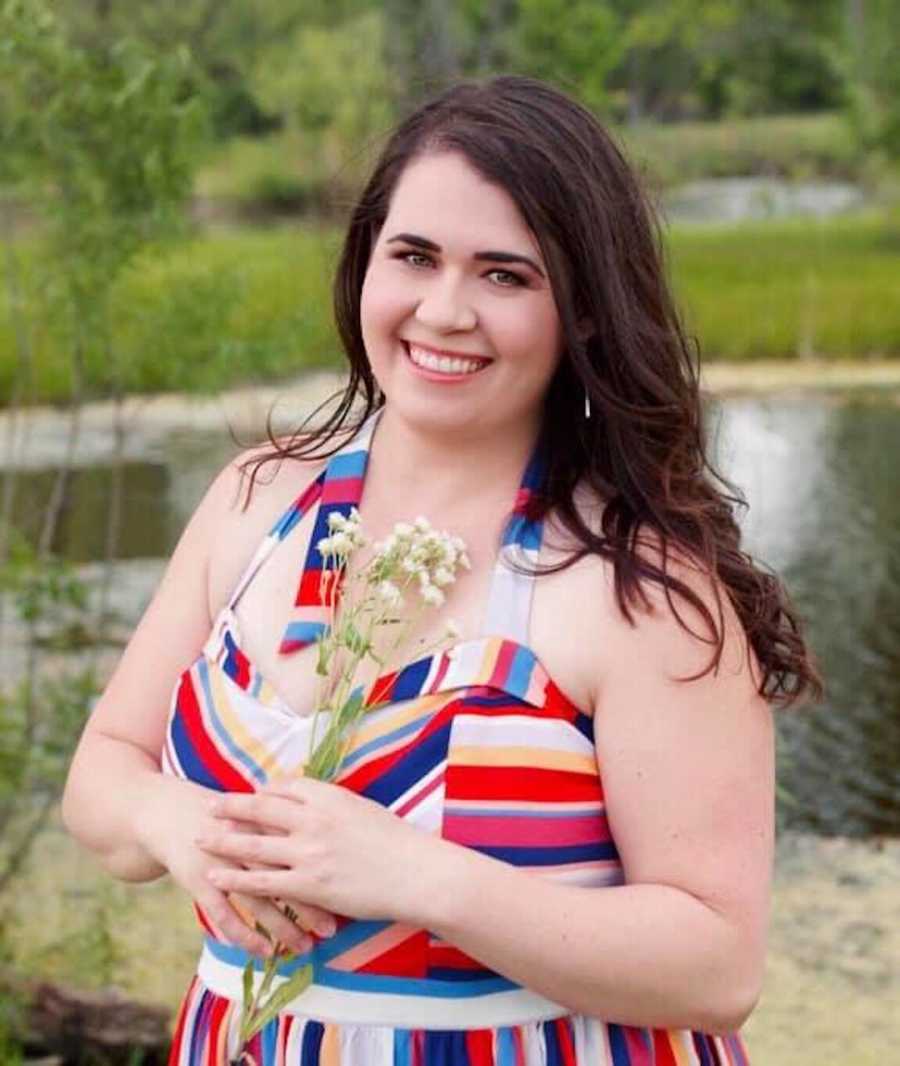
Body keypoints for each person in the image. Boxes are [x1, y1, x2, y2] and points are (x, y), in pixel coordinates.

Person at [62, 74, 821, 1065]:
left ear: (585, 311)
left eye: (505, 275)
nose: (444, 309)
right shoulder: (259, 500)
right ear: (365, 265)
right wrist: (174, 820)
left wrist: (418, 877)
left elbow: (718, 969)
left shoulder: (640, 588)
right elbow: (101, 776)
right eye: (413, 256)